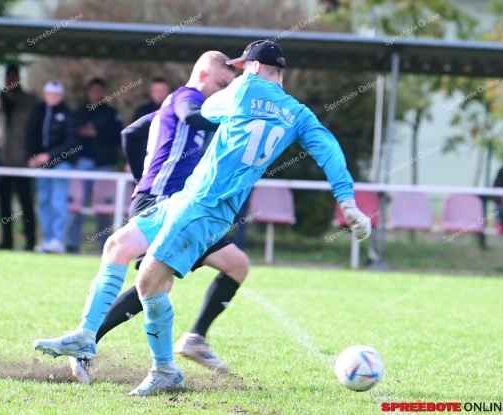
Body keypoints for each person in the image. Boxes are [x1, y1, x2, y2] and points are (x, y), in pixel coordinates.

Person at [33, 40, 373, 396]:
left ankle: (164, 369)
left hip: (205, 207)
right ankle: (86, 336)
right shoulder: (299, 114)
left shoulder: (243, 88)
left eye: (241, 68)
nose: (237, 74)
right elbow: (329, 150)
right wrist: (346, 200)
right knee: (118, 244)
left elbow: (209, 110)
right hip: (188, 197)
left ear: (253, 67)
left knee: (150, 281)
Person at [64, 52, 248, 385]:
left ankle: (192, 339)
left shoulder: (175, 108)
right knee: (155, 284)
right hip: (163, 206)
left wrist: (142, 180)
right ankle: (89, 346)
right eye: (222, 84)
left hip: (178, 207)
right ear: (204, 74)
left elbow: (130, 134)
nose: (224, 92)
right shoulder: (189, 99)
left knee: (232, 265)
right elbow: (191, 116)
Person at [66, 78, 124, 252]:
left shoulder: (111, 114)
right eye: (93, 90)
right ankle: (72, 244)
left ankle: (104, 246)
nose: (96, 93)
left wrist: (97, 133)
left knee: (103, 207)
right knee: (77, 205)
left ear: (104, 92)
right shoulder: (79, 113)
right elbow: (70, 136)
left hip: (103, 165)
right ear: (88, 92)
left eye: (99, 90)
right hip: (82, 164)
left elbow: (117, 138)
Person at [0, 64, 38, 250]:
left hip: (23, 161)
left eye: (14, 77)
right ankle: (6, 241)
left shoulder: (30, 101)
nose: (11, 81)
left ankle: (30, 241)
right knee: (4, 206)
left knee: (26, 204)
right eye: (8, 77)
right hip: (1, 161)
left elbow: (35, 130)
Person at [27, 81, 80, 254]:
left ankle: (58, 239)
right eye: (49, 94)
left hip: (61, 164)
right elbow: (31, 135)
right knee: (43, 201)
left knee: (58, 201)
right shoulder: (38, 112)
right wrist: (32, 156)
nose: (52, 97)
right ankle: (47, 238)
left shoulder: (68, 115)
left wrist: (51, 155)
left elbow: (71, 142)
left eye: (56, 94)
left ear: (61, 96)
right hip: (42, 166)